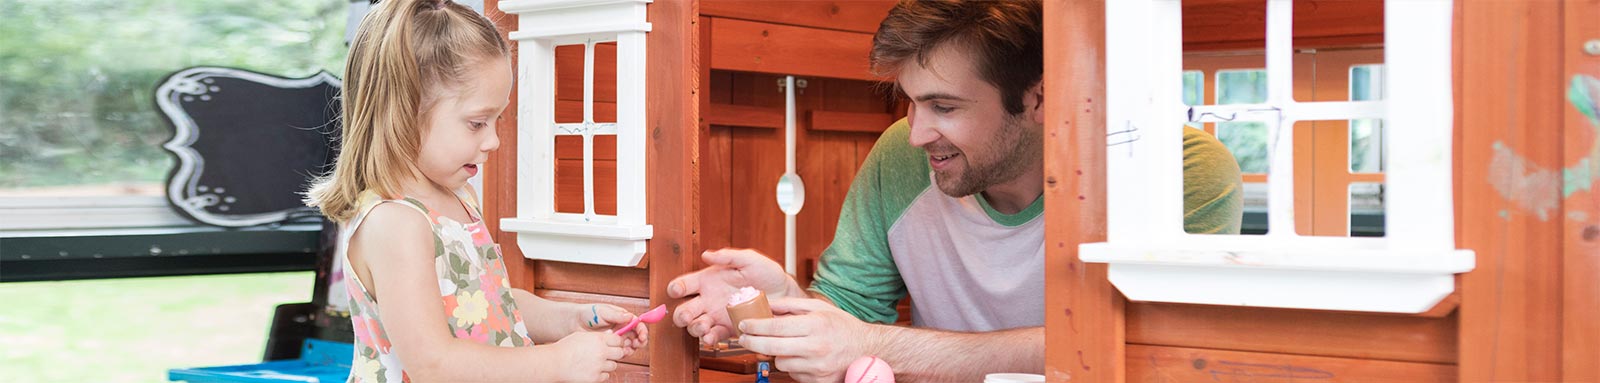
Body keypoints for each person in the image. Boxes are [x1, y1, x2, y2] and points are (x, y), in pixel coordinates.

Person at [668, 1, 1244, 382]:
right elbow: (843, 325)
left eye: (944, 106)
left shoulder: (1177, 171)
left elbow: (1145, 350)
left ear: (1039, 98)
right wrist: (781, 303)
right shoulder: (902, 152)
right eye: (911, 102)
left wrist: (880, 345)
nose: (916, 133)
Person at [303, 0, 645, 381]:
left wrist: (570, 321)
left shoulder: (459, 201)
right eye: (477, 123)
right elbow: (433, 364)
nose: (493, 141)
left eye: (496, 120)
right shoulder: (394, 223)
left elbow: (489, 304)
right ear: (405, 110)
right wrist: (558, 363)